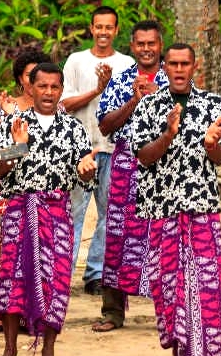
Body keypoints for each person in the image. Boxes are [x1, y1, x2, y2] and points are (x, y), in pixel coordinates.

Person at [130, 43, 221, 356]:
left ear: (194, 66)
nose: (178, 69)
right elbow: (143, 157)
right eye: (172, 63)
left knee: (208, 284)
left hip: (201, 208)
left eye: (184, 63)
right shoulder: (147, 107)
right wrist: (168, 135)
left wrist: (211, 144)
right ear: (163, 66)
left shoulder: (213, 103)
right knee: (169, 287)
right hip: (162, 210)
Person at [0, 62, 98, 356]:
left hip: (57, 213)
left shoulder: (74, 128)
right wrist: (17, 148)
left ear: (62, 90)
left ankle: (48, 353)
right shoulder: (14, 123)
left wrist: (87, 170)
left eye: (54, 87)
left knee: (58, 281)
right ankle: (9, 351)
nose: (49, 92)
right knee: (11, 278)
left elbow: (84, 174)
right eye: (42, 86)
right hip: (18, 210)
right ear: (31, 88)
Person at [92, 20, 169, 332]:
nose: (147, 49)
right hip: (126, 166)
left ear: (160, 45)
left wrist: (159, 99)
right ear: (133, 46)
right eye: (141, 44)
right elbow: (105, 125)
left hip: (166, 167)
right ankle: (112, 312)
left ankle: (170, 314)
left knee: (165, 236)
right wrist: (134, 100)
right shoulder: (122, 80)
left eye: (152, 43)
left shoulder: (174, 79)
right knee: (118, 236)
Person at [0, 50, 51, 335]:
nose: (38, 81)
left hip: (43, 197)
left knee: (39, 256)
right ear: (20, 79)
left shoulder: (56, 109)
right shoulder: (8, 107)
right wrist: (6, 119)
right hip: (10, 195)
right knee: (2, 255)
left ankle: (32, 315)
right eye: (30, 75)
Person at [60, 5, 134, 295]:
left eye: (109, 27)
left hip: (113, 149)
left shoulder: (127, 63)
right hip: (80, 150)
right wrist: (98, 89)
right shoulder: (76, 61)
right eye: (98, 27)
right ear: (91, 29)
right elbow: (63, 105)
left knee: (108, 214)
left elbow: (130, 106)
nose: (103, 32)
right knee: (73, 213)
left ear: (116, 30)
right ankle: (63, 276)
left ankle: (95, 275)